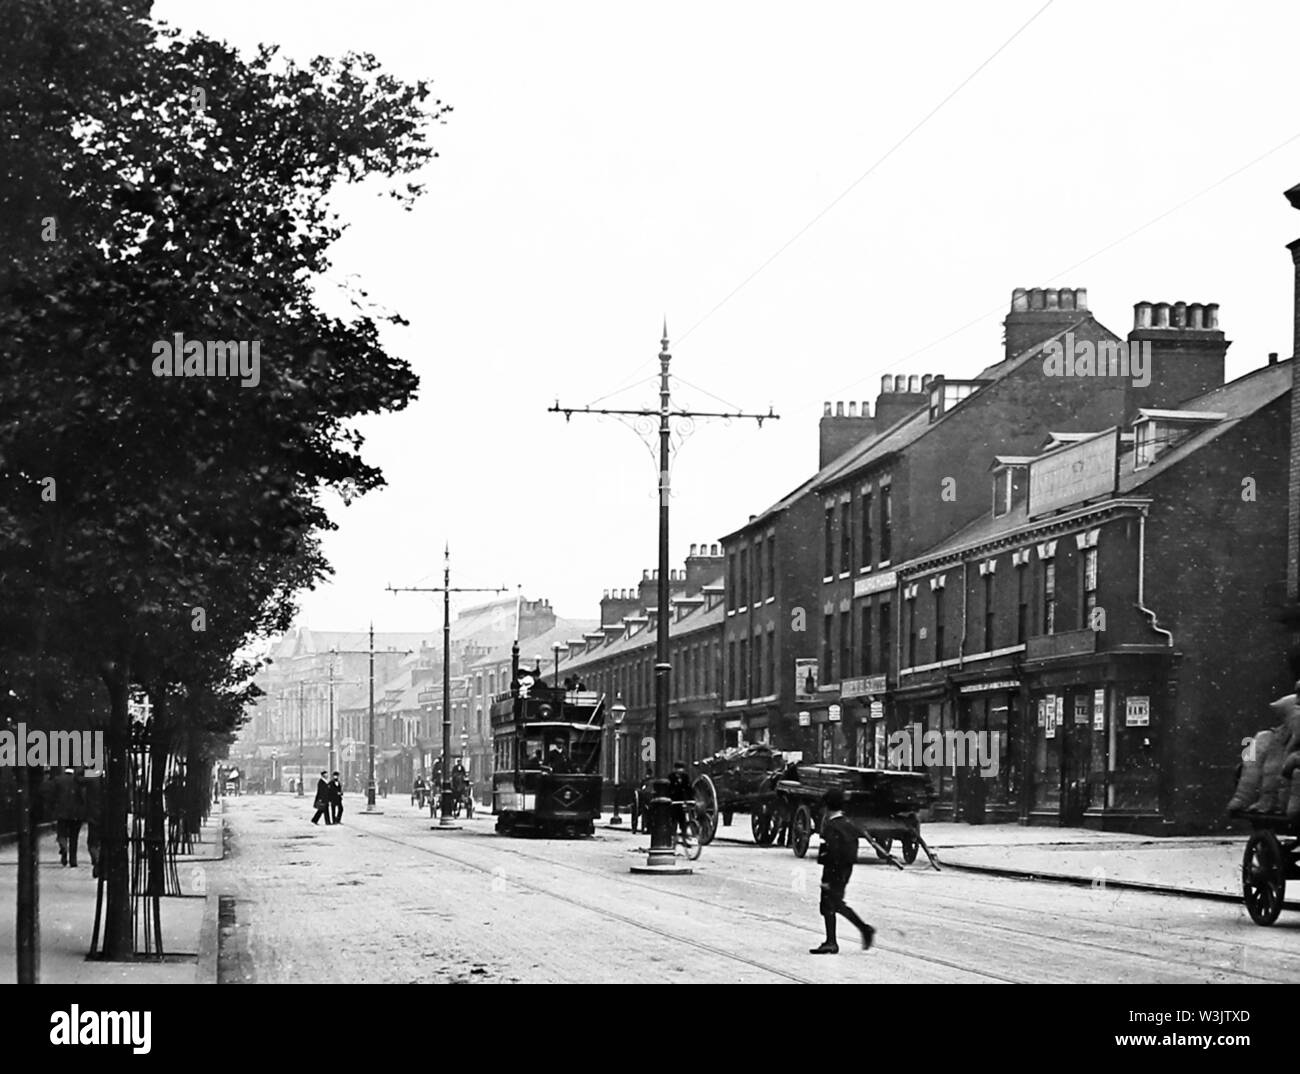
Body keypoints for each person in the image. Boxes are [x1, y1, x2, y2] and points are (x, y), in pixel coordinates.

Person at [810, 788, 874, 955]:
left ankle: (835, 940)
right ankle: (852, 933)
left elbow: (832, 853)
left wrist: (827, 876)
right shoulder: (848, 824)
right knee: (834, 904)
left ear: (826, 807)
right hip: (845, 870)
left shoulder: (831, 827)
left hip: (833, 871)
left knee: (830, 904)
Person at [53, 768, 84, 867]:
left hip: (62, 813)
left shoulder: (58, 780)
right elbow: (83, 796)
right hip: (76, 814)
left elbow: (52, 794)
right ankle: (73, 860)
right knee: (74, 837)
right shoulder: (78, 781)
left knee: (61, 833)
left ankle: (63, 846)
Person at [80, 769, 104, 877]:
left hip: (93, 815)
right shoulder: (109, 780)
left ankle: (97, 860)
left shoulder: (92, 778)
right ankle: (101, 861)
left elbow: (77, 778)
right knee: (104, 842)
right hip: (106, 816)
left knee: (92, 843)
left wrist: (84, 769)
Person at [666, 761, 694, 840]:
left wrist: (690, 799)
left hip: (682, 800)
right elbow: (669, 789)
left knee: (682, 819)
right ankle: (672, 835)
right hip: (673, 800)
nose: (680, 770)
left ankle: (684, 834)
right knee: (673, 819)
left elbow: (688, 788)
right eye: (678, 768)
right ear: (674, 769)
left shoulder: (685, 777)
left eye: (681, 768)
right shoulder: (671, 777)